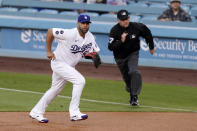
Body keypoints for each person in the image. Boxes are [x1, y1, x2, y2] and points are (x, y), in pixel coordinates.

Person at [29, 14, 100, 123]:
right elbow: (50, 32)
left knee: (55, 90)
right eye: (83, 23)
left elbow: (87, 53)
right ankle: (74, 112)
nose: (85, 25)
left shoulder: (90, 37)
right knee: (80, 81)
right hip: (59, 63)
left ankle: (36, 111)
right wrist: (48, 51)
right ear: (78, 23)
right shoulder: (70, 34)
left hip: (69, 66)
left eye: (87, 23)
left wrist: (93, 56)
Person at [108, 9, 155, 106]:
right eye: (123, 19)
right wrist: (121, 41)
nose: (125, 21)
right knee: (127, 78)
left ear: (129, 18)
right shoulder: (114, 30)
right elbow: (110, 47)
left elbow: (147, 33)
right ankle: (130, 88)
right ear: (118, 20)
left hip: (133, 53)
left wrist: (151, 47)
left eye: (127, 18)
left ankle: (134, 97)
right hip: (120, 57)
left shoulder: (136, 27)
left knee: (134, 71)